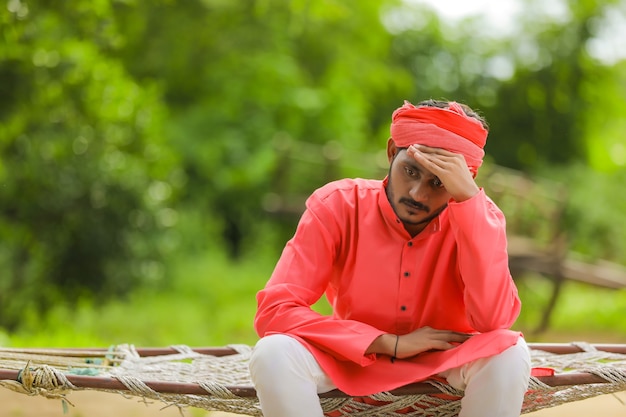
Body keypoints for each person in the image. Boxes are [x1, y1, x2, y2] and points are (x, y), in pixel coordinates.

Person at [249, 99, 531, 417]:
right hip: (351, 357)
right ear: (390, 152)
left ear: (464, 179)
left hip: (446, 360)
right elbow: (275, 310)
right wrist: (385, 342)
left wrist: (469, 203)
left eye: (438, 182)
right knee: (273, 352)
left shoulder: (482, 217)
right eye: (410, 171)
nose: (417, 194)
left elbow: (493, 321)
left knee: (510, 352)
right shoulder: (338, 205)